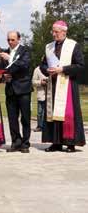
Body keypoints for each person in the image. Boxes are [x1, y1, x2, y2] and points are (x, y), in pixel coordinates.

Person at [39, 20, 85, 152]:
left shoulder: (73, 45)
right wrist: (46, 69)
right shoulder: (49, 47)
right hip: (53, 85)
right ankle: (56, 142)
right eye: (52, 31)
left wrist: (62, 69)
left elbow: (80, 66)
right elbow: (42, 64)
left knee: (68, 114)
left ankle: (70, 143)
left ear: (64, 32)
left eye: (56, 32)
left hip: (67, 85)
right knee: (53, 113)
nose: (54, 34)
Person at [0, 31, 32, 153]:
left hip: (23, 89)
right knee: (12, 118)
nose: (10, 42)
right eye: (8, 40)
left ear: (19, 39)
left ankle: (25, 143)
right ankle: (15, 141)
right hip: (10, 89)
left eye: (12, 40)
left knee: (25, 118)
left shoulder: (25, 51)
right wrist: (3, 78)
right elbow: (1, 71)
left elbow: (25, 65)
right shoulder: (5, 53)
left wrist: (10, 58)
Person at [32, 65, 48, 132]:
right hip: (41, 94)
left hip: (51, 94)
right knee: (40, 112)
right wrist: (41, 82)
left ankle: (48, 127)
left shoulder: (53, 67)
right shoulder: (37, 69)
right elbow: (33, 82)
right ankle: (40, 126)